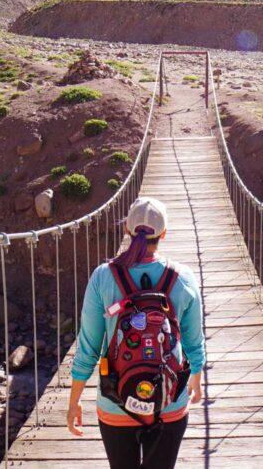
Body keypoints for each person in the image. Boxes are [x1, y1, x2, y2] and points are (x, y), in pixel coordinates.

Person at [67, 196, 205, 469]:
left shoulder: (103, 277)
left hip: (115, 400)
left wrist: (74, 402)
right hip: (170, 399)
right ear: (163, 234)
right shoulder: (184, 278)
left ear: (127, 230)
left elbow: (89, 348)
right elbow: (193, 342)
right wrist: (196, 381)